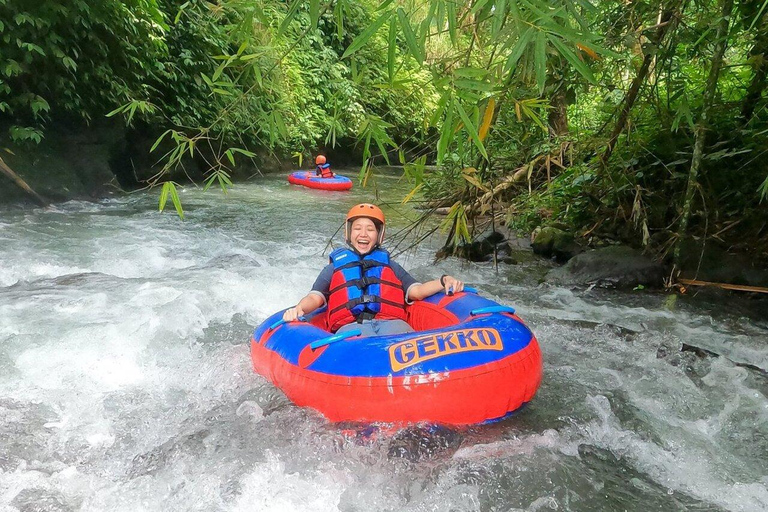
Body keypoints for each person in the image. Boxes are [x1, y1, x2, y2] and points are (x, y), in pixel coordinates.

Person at [282, 203, 464, 336]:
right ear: (349, 233)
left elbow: (416, 291)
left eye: (370, 229)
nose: (363, 234)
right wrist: (299, 309)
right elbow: (315, 297)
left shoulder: (389, 265)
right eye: (357, 229)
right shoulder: (334, 267)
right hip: (352, 329)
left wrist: (443, 280)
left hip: (393, 325)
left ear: (379, 236)